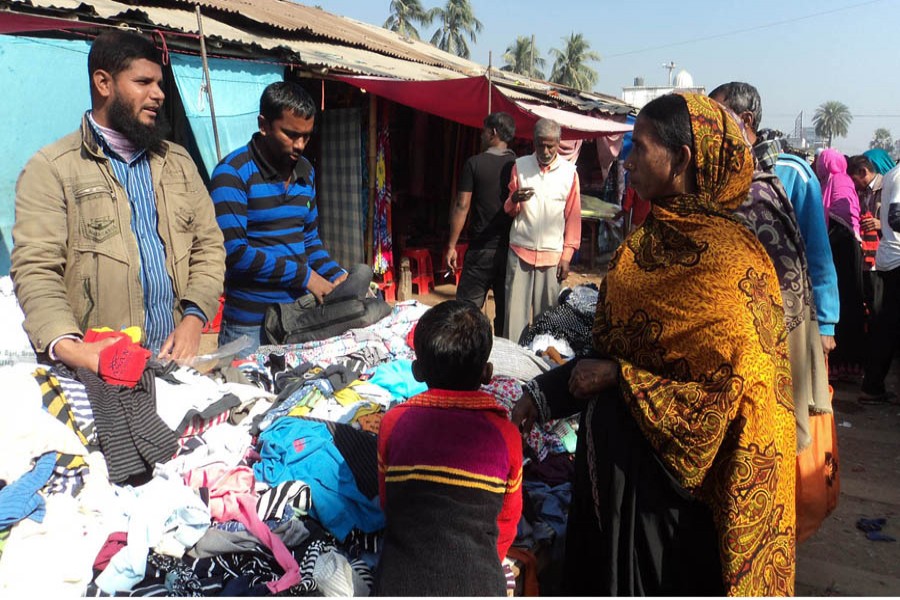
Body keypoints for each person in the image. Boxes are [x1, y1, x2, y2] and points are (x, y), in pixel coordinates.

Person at [511, 93, 795, 596]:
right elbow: (611, 350)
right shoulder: (643, 246)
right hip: (616, 480)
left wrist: (622, 378)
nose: (628, 160)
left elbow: (727, 393)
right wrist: (542, 395)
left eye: (639, 148)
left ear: (681, 159)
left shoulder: (731, 264)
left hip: (674, 502)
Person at [10, 30, 224, 371]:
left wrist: (195, 317)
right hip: (98, 371)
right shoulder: (52, 169)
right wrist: (74, 350)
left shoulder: (178, 163)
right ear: (103, 83)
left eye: (159, 83)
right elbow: (37, 270)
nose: (158, 95)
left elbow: (209, 247)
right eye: (143, 82)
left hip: (179, 362)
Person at [710, 81, 831, 451]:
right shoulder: (717, 174)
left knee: (782, 428)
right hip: (740, 327)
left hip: (784, 320)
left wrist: (825, 323)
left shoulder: (794, 173)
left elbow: (815, 252)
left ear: (745, 120)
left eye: (718, 117)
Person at [210, 81, 371, 354]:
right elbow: (234, 254)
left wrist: (335, 275)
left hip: (297, 319)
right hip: (249, 327)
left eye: (307, 137)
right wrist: (305, 276)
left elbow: (309, 240)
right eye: (290, 134)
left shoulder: (305, 171)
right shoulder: (232, 173)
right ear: (264, 124)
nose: (300, 145)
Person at [375, 299, 523, 596]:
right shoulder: (506, 435)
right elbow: (507, 522)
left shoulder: (393, 423)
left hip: (396, 583)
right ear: (487, 373)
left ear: (417, 372)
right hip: (479, 584)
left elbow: (388, 504)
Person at [503, 118, 581, 343]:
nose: (545, 151)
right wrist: (513, 200)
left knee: (546, 322)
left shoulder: (569, 173)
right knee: (514, 319)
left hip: (552, 256)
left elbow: (573, 217)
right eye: (540, 145)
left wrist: (567, 256)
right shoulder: (520, 166)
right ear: (533, 142)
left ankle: (543, 368)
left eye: (550, 145)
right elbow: (510, 209)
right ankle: (512, 369)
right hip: (520, 251)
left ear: (558, 143)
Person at [445, 112, 517, 336]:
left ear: (493, 132)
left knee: (466, 313)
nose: (480, 134)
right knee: (506, 314)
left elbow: (462, 205)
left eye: (484, 130)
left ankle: (467, 358)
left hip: (480, 249)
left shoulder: (474, 163)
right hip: (511, 250)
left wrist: (451, 246)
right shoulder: (519, 164)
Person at [817, 148, 867, 383]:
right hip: (847, 249)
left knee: (843, 305)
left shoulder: (837, 183)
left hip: (841, 251)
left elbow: (839, 221)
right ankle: (848, 365)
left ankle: (841, 365)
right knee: (849, 304)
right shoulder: (841, 181)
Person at [860, 163, 900, 404]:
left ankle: (873, 385)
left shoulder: (892, 174)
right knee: (887, 328)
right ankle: (872, 386)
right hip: (897, 260)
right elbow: (896, 217)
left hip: (890, 258)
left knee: (887, 326)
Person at [848, 154, 885, 316]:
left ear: (863, 172)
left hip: (883, 259)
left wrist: (881, 224)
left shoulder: (888, 187)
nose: (854, 185)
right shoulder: (860, 191)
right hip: (866, 258)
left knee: (880, 306)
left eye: (855, 180)